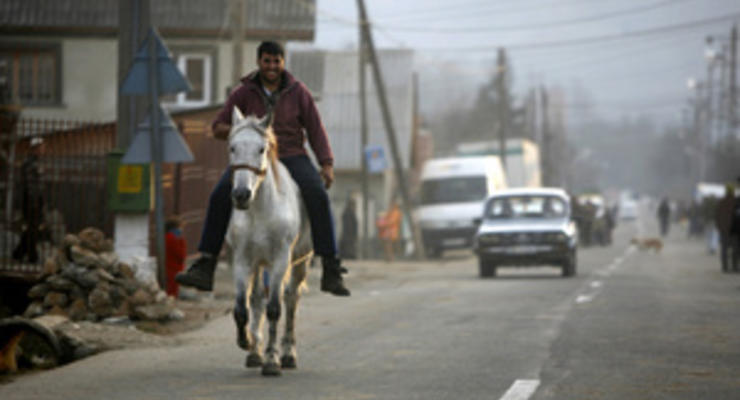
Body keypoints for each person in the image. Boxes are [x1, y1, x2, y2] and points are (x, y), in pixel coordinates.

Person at [176, 41, 350, 296]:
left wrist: (326, 163)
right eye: (267, 61)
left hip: (291, 155)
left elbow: (315, 129)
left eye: (276, 61)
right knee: (219, 194)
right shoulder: (243, 92)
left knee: (318, 195)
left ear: (283, 62)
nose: (272, 66)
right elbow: (218, 127)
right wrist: (241, 130)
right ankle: (206, 263)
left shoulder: (298, 92)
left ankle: (330, 267)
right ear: (259, 62)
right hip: (252, 158)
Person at [12, 137, 45, 264]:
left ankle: (19, 253)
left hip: (35, 200)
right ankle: (32, 256)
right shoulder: (30, 163)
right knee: (32, 229)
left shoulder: (35, 162)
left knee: (32, 228)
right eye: (41, 147)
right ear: (35, 148)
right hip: (31, 201)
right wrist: (34, 203)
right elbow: (30, 185)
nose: (43, 150)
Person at [165, 215, 187, 297]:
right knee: (172, 291)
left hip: (171, 267)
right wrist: (182, 241)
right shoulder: (174, 238)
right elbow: (181, 254)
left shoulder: (168, 237)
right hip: (173, 267)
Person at [715, 185, 735, 272]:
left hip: (724, 230)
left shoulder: (721, 202)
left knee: (724, 249)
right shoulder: (736, 202)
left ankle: (725, 267)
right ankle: (734, 267)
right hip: (734, 231)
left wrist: (719, 227)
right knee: (735, 249)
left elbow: (717, 216)